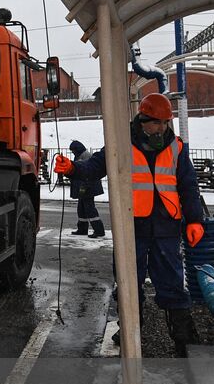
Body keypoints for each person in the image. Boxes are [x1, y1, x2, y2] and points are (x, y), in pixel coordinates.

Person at [59, 93, 206, 353]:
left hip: (166, 227)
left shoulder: (177, 147)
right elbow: (93, 168)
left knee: (172, 282)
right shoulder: (121, 143)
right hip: (132, 227)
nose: (162, 128)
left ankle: (184, 340)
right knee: (128, 282)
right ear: (142, 121)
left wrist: (195, 219)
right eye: (156, 123)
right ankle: (129, 329)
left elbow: (188, 185)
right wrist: (72, 169)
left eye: (165, 123)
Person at [67, 141, 105, 238]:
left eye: (73, 151)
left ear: (77, 149)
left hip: (88, 187)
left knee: (89, 208)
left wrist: (84, 187)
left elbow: (89, 173)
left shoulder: (86, 156)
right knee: (81, 208)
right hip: (84, 187)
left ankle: (99, 230)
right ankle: (82, 229)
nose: (72, 153)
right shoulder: (79, 156)